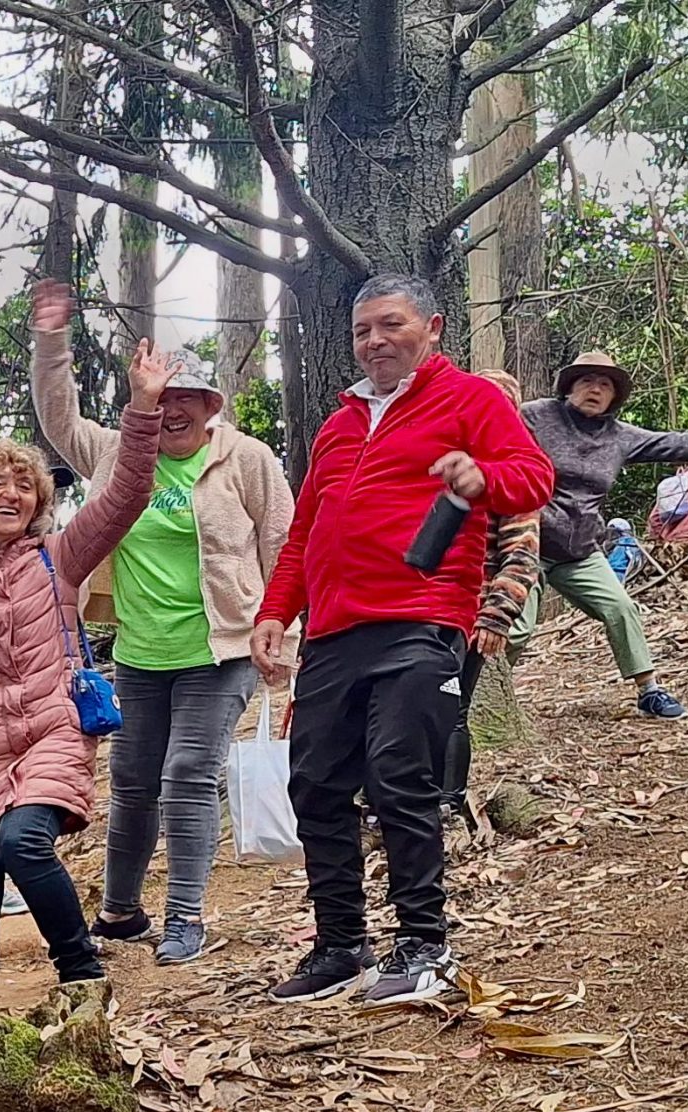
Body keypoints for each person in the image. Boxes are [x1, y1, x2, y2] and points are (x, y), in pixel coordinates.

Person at [248, 275, 555, 1004]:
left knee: (399, 777)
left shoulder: (472, 400)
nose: (375, 342)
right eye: (363, 331)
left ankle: (424, 944)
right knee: (315, 785)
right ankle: (339, 945)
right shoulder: (339, 423)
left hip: (421, 617)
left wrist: (480, 475)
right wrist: (276, 610)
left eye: (391, 325)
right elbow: (307, 532)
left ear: (433, 327)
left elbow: (534, 477)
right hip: (331, 631)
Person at [0, 341, 177, 1001]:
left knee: (24, 842)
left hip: (51, 733)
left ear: (39, 501)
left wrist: (144, 405)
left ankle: (82, 975)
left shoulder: (60, 558)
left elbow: (129, 491)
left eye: (25, 485)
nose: (11, 493)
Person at [30, 282, 296, 965]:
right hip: (142, 652)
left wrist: (286, 641)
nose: (175, 409)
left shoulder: (247, 461)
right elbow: (58, 418)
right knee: (134, 778)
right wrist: (52, 342)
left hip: (223, 647)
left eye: (190, 399)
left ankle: (185, 916)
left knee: (187, 773)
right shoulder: (118, 452)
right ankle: (119, 911)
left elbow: (284, 546)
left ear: (213, 407)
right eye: (164, 397)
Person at [516, 350, 688, 720]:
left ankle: (648, 691)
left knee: (621, 608)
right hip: (527, 543)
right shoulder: (535, 416)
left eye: (605, 385)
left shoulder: (621, 437)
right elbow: (487, 430)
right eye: (587, 380)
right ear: (569, 386)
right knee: (516, 627)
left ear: (614, 397)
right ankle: (475, 695)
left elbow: (677, 443)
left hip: (581, 550)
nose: (595, 389)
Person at [445, 369, 544, 822]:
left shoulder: (513, 475)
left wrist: (496, 614)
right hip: (413, 609)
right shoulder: (440, 461)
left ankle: (446, 803)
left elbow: (523, 552)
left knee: (451, 708)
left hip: (469, 615)